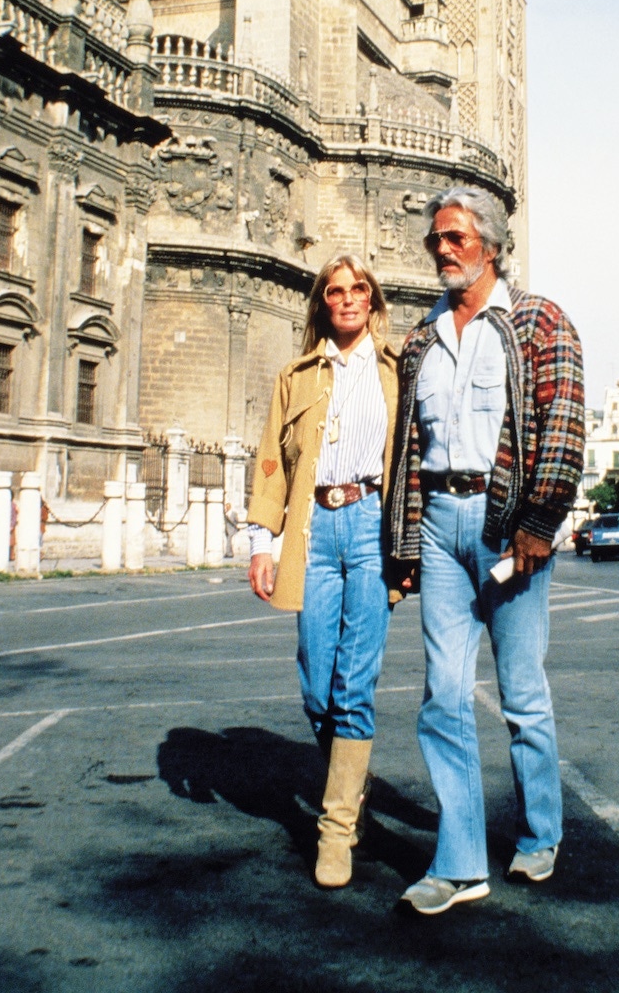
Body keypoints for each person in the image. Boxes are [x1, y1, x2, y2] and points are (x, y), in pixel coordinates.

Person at [390, 186, 585, 915]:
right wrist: (404, 545)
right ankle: (461, 860)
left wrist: (541, 520)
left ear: (493, 246)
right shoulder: (420, 340)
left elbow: (562, 424)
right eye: (436, 239)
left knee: (522, 693)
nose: (443, 249)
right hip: (440, 522)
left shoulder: (539, 322)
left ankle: (540, 833)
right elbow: (409, 450)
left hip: (508, 523)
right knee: (443, 693)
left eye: (457, 238)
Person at [246, 254, 400, 889]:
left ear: (372, 299)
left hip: (370, 527)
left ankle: (335, 831)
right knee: (316, 686)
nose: (347, 299)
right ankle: (350, 784)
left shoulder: (398, 372)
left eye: (357, 288)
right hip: (313, 527)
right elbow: (273, 460)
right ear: (321, 303)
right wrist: (262, 540)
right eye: (335, 291)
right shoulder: (295, 375)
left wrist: (411, 549)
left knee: (353, 686)